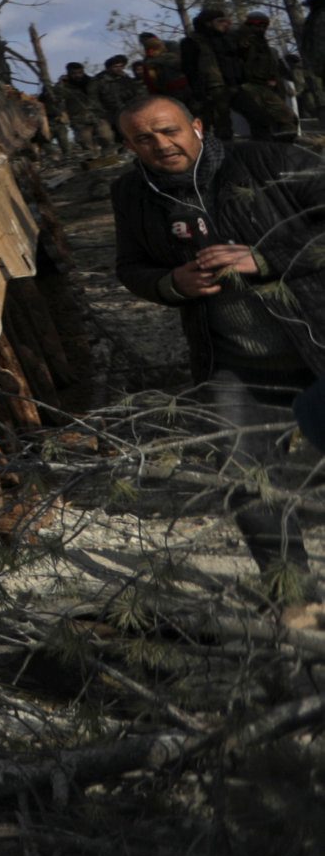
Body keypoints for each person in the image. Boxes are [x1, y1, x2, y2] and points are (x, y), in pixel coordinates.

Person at [110, 93, 324, 583]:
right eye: (144, 138)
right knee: (245, 476)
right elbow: (131, 267)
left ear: (198, 126)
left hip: (316, 344)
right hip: (235, 362)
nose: (161, 145)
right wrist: (170, 284)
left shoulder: (269, 160)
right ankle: (291, 592)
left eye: (170, 131)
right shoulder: (131, 192)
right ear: (130, 145)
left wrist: (268, 258)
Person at [234, 14, 301, 140]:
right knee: (271, 118)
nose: (263, 28)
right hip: (252, 85)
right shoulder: (243, 40)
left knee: (283, 118)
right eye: (260, 25)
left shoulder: (261, 43)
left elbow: (272, 67)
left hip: (265, 85)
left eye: (265, 25)